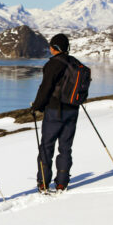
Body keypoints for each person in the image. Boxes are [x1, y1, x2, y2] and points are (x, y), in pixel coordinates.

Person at [31, 33, 78, 193]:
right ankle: (62, 183)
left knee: (46, 146)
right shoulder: (75, 63)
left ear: (55, 48)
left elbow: (46, 88)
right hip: (72, 110)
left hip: (54, 111)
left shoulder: (53, 64)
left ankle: (43, 182)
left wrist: (37, 106)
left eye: (51, 46)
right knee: (65, 147)